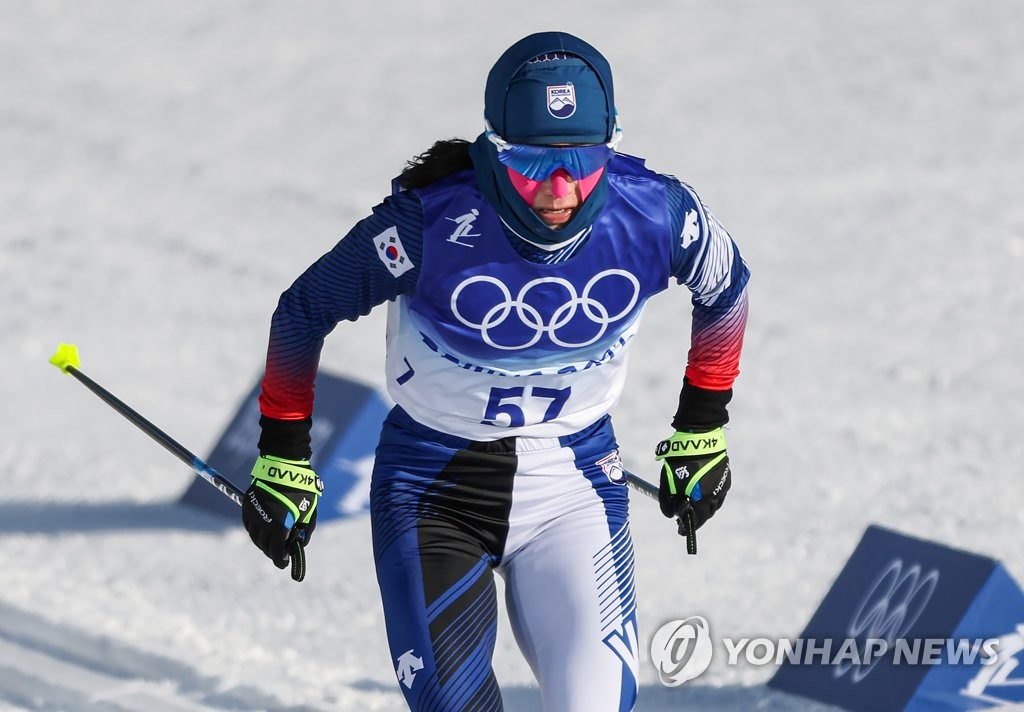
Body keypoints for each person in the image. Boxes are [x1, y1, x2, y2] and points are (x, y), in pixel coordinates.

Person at [241, 30, 749, 712]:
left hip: (573, 486)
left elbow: (727, 289)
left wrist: (702, 431)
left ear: (614, 146)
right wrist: (282, 459)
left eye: (584, 160)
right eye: (534, 163)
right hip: (432, 490)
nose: (560, 187)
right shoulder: (427, 225)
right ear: (494, 149)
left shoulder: (658, 212)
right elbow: (303, 312)